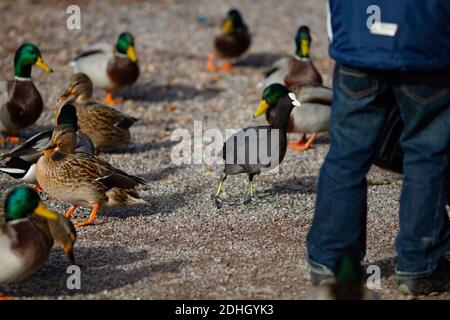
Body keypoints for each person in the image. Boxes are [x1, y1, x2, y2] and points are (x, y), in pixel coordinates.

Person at [307, 0, 450, 295]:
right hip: (425, 46)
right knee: (427, 155)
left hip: (358, 42)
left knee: (346, 155)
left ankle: (330, 262)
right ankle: (419, 266)